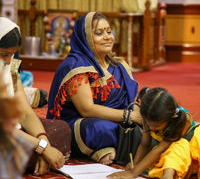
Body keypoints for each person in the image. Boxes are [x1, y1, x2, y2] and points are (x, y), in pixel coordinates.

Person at [47, 12, 143, 165]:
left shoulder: (119, 65)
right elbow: (87, 110)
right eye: (99, 33)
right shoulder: (76, 66)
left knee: (159, 114)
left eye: (109, 31)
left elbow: (133, 99)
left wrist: (139, 115)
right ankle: (115, 146)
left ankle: (116, 147)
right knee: (99, 128)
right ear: (85, 39)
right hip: (83, 123)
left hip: (119, 119)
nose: (107, 37)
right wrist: (129, 117)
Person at [0, 17, 71, 176]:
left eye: (11, 55)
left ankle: (35, 159)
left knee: (62, 129)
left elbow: (25, 113)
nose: (7, 60)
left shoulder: (11, 69)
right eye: (4, 54)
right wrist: (43, 148)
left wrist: (44, 145)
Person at [107, 87, 200, 179]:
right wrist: (135, 164)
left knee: (179, 144)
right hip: (167, 156)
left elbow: (160, 149)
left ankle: (168, 176)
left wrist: (133, 173)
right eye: (149, 123)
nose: (151, 128)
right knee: (169, 152)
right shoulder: (148, 116)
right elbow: (144, 145)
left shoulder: (181, 119)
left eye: (157, 126)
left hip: (190, 155)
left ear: (171, 118)